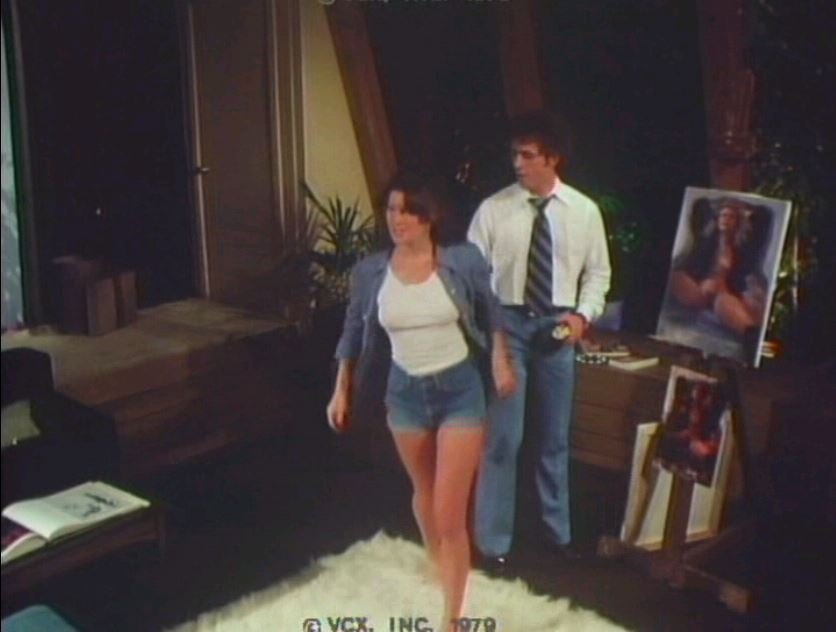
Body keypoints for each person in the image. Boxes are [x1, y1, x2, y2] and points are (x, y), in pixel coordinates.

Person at [326, 172, 516, 630]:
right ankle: (440, 563)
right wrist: (341, 388)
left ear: (429, 216)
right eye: (392, 210)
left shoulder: (461, 261)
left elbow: (491, 312)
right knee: (426, 495)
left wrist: (499, 359)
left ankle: (451, 619)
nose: (397, 219)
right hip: (405, 395)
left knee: (449, 512)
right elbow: (353, 331)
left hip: (459, 391)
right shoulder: (370, 272)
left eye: (408, 211)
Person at [467, 110, 611, 567]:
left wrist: (582, 317)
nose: (518, 164)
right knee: (502, 439)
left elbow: (598, 274)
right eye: (514, 155)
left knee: (553, 439)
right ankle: (492, 544)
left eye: (527, 156)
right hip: (507, 328)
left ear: (553, 158)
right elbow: (472, 279)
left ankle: (557, 535)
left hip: (558, 330)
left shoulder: (583, 212)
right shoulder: (493, 210)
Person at [669, 197, 769, 356]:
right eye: (723, 215)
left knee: (723, 303)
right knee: (675, 277)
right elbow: (700, 210)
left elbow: (762, 217)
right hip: (700, 293)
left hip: (725, 295)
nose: (725, 219)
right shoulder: (707, 242)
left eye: (731, 217)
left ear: (737, 222)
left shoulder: (744, 248)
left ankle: (752, 339)